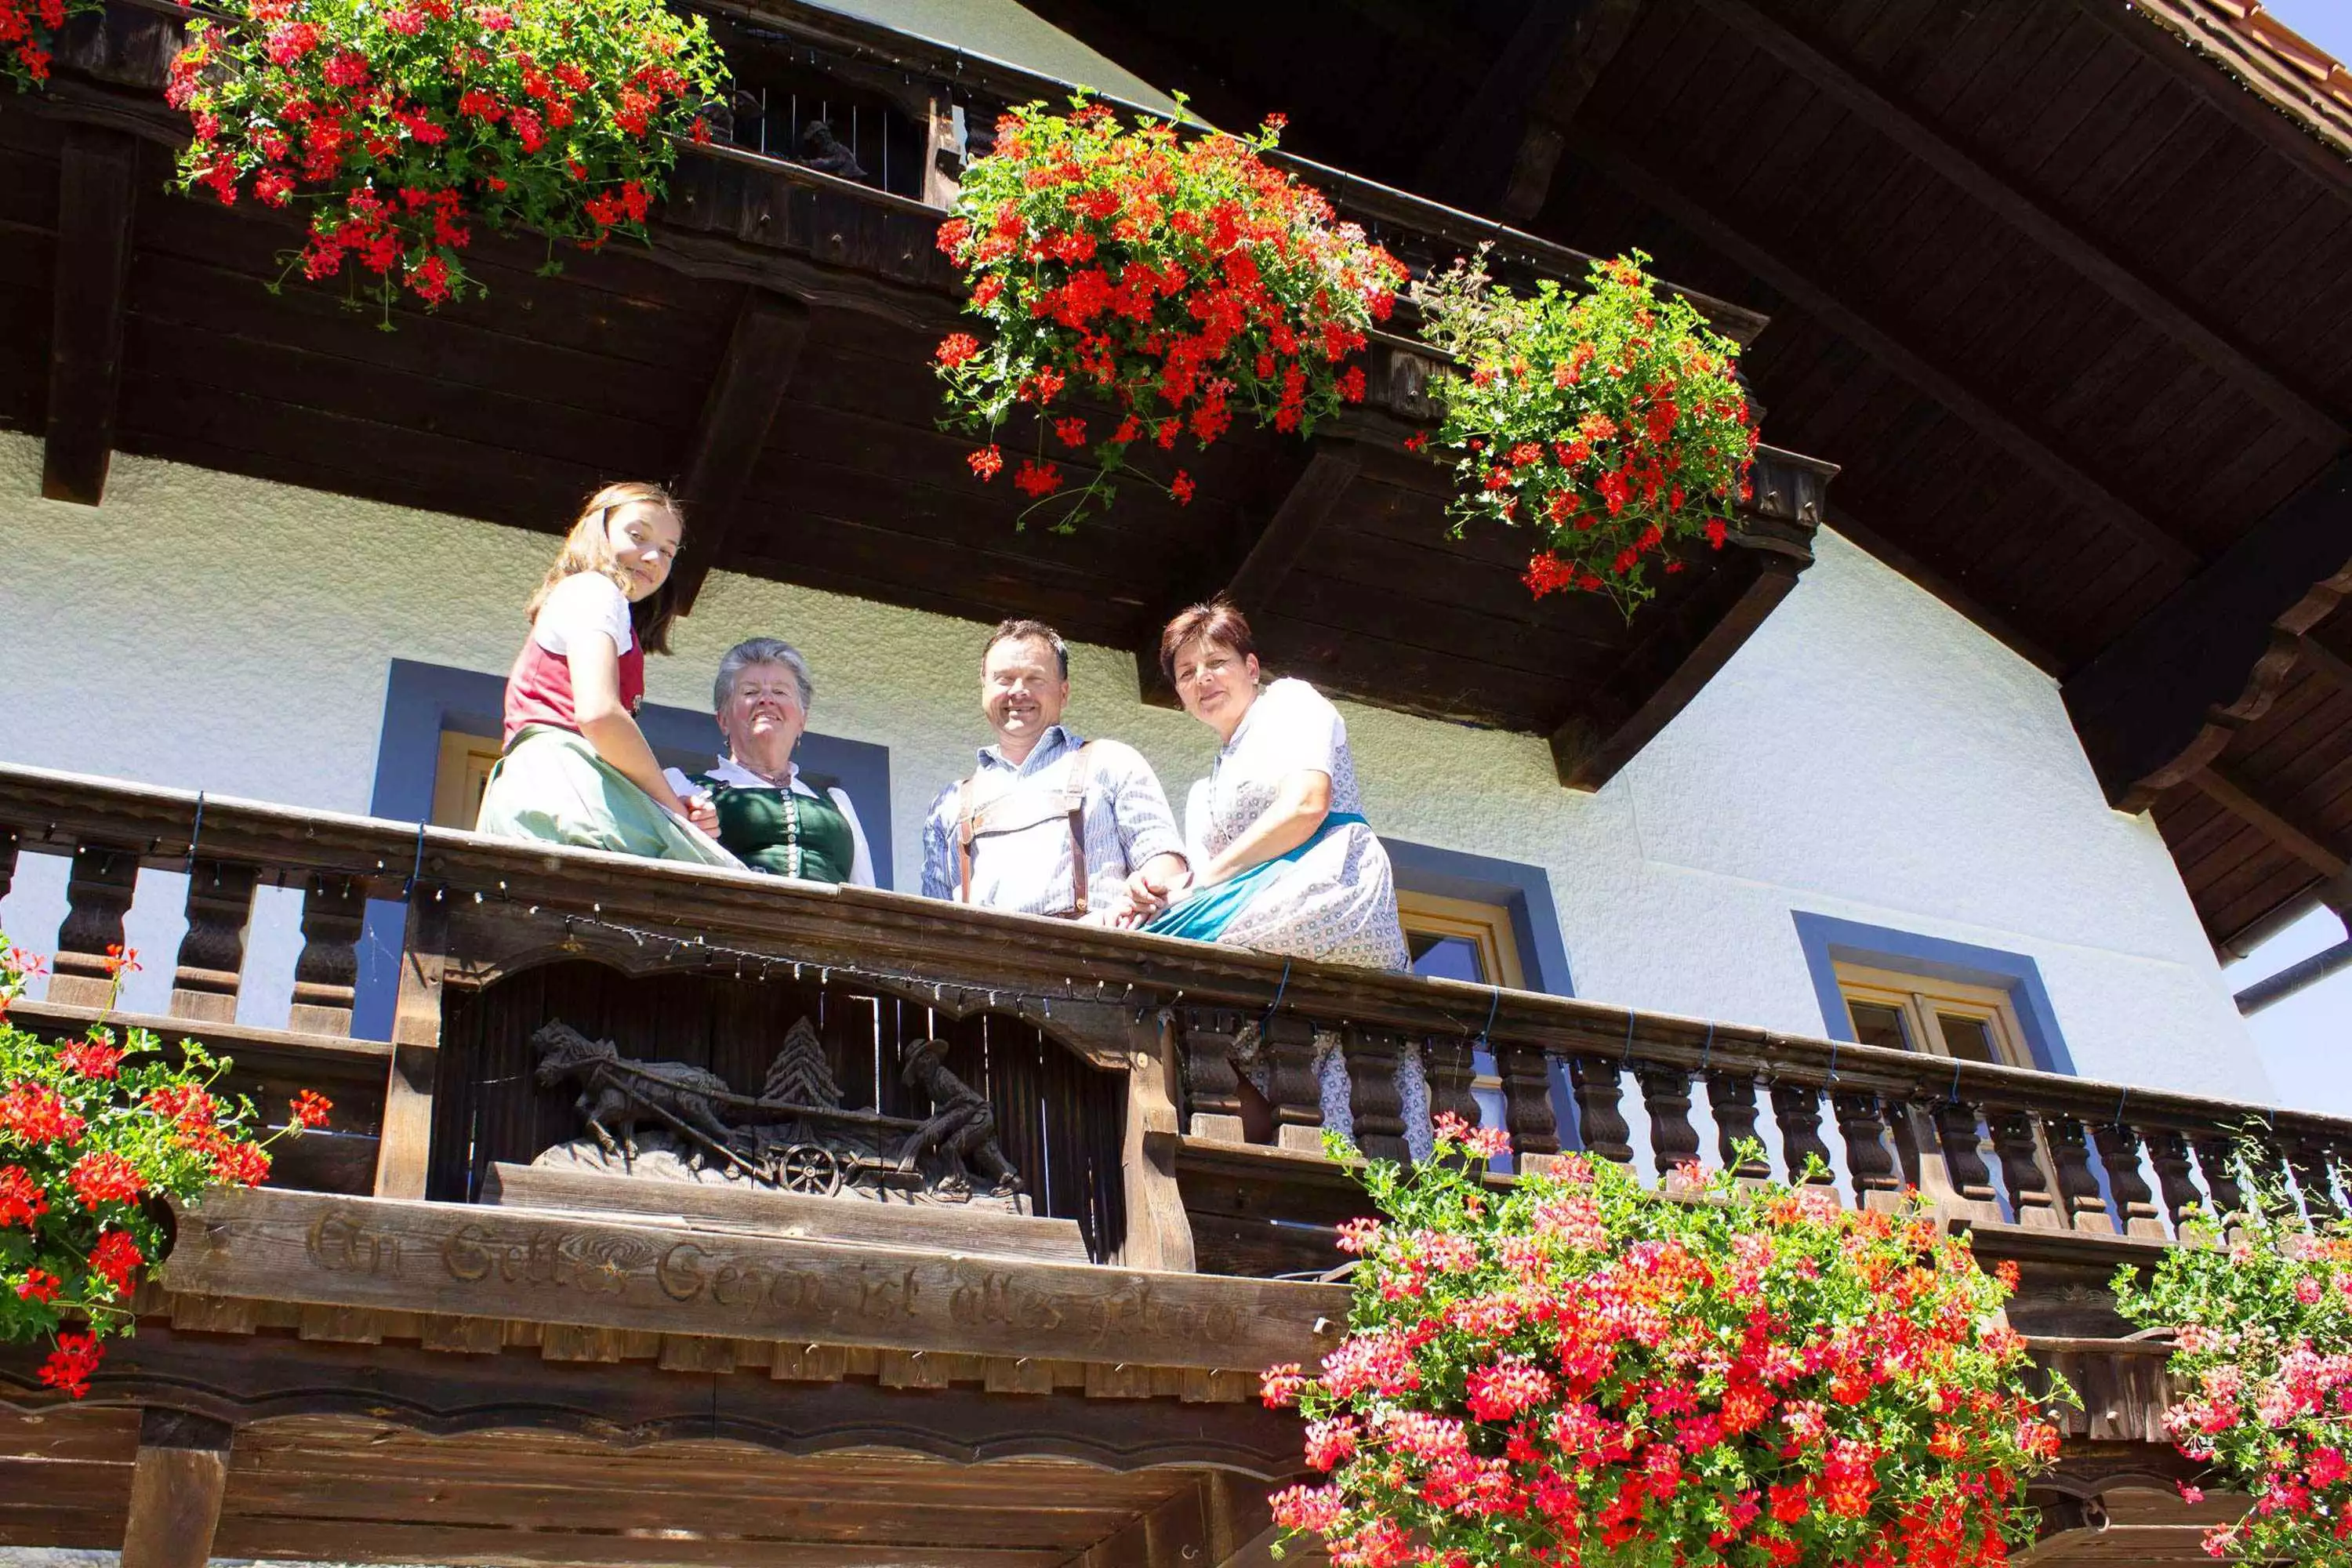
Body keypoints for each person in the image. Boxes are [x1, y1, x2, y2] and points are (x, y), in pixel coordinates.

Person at [474, 482, 737, 867]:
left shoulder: (603, 608)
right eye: (638, 536)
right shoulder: (595, 591)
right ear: (600, 531)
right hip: (564, 791)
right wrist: (674, 814)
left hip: (554, 796)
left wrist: (668, 807)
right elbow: (599, 714)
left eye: (667, 550)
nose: (653, 557)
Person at [1140, 600, 1408, 970]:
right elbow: (1196, 891)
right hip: (1262, 911)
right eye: (1186, 673)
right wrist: (1151, 895)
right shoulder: (1202, 794)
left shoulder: (1289, 701)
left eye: (1217, 662)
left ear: (1251, 668)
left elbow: (1307, 806)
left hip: (1332, 889)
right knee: (1139, 935)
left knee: (1146, 952)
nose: (1202, 677)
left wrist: (1196, 885)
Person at [921, 619, 1190, 924]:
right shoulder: (950, 804)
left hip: (1098, 960)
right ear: (984, 688)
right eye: (1004, 679)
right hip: (985, 967)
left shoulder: (1111, 763)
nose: (1019, 691)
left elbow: (1166, 863)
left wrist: (1146, 889)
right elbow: (933, 922)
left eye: (1035, 678)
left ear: (1063, 693)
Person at [662, 638, 877, 886]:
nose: (766, 699)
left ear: (801, 722)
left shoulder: (837, 803)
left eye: (780, 691)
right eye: (750, 692)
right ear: (723, 720)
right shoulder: (685, 787)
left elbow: (866, 892)